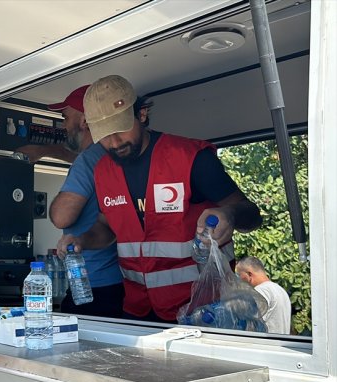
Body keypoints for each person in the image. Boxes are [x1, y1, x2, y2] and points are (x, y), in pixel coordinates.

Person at [51, 75, 262, 323]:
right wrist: (82, 239)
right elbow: (107, 227)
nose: (115, 142)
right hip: (137, 310)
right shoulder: (103, 171)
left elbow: (252, 216)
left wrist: (231, 214)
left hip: (200, 310)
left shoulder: (190, 159)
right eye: (105, 136)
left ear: (141, 115)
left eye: (120, 130)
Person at [30, 85, 124, 318]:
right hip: (119, 281)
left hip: (92, 285)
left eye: (66, 117)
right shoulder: (110, 155)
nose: (63, 125)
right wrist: (44, 150)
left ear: (84, 120)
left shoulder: (87, 161)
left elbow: (62, 216)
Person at [235, 256, 291, 334]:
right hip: (280, 343)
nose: (239, 279)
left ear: (249, 274)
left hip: (266, 344)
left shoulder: (260, 291)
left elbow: (252, 325)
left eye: (239, 275)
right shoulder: (280, 290)